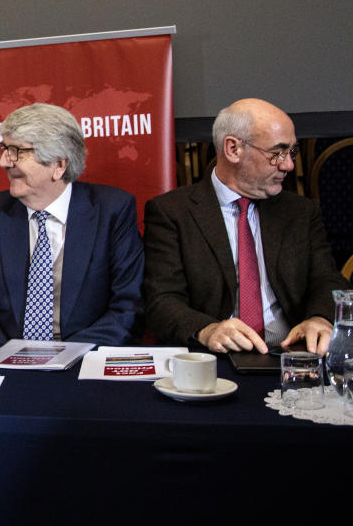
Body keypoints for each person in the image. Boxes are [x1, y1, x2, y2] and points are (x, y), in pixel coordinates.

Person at [144, 98, 349, 355]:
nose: (288, 165)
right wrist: (207, 329)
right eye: (277, 153)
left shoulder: (299, 212)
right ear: (233, 149)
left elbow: (327, 280)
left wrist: (320, 318)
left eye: (292, 152)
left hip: (290, 354)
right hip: (215, 358)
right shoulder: (172, 213)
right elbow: (161, 300)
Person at [0, 103, 144, 345]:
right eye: (4, 148)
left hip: (84, 360)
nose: (4, 162)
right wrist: (9, 355)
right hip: (7, 358)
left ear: (59, 165)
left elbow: (128, 308)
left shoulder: (112, 211)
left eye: (18, 151)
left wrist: (65, 356)